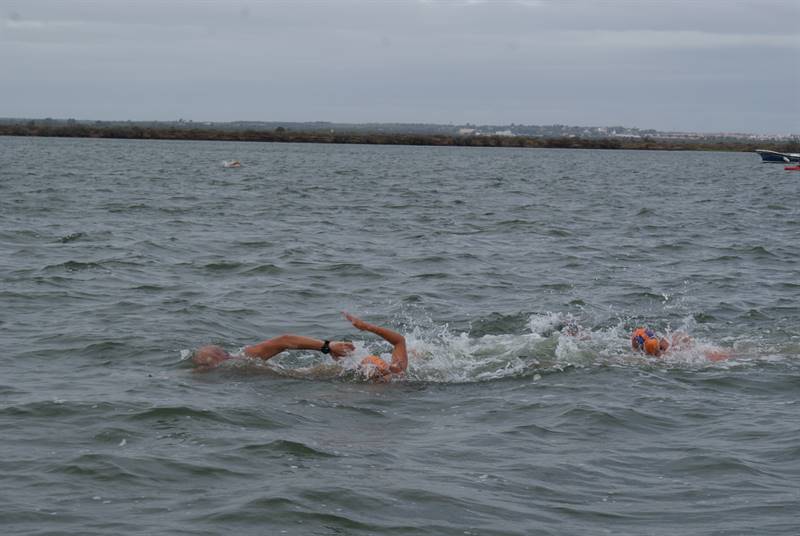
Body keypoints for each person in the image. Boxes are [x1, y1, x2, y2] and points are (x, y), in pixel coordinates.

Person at [192, 312, 408, 379]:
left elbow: (285, 340)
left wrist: (328, 346)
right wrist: (366, 327)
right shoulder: (397, 370)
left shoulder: (395, 374)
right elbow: (399, 341)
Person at [631, 327, 730, 361]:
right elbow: (683, 336)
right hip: (711, 352)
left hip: (707, 357)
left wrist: (635, 349)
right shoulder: (668, 343)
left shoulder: (663, 359)